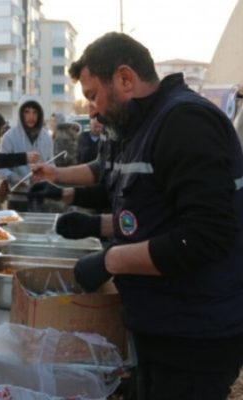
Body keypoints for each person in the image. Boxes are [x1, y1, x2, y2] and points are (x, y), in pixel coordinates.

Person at [67, 32, 243, 400]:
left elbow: (204, 236)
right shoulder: (138, 127)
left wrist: (112, 259)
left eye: (93, 95)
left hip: (194, 336)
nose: (92, 110)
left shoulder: (184, 123)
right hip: (158, 326)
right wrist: (96, 223)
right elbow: (150, 213)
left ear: (125, 79)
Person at [0, 96, 54, 211]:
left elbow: (51, 162)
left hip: (41, 197)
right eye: (27, 112)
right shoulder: (9, 137)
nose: (31, 117)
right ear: (20, 114)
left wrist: (47, 176)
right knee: (17, 229)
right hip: (17, 198)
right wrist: (15, 178)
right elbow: (1, 167)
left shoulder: (46, 136)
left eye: (35, 112)